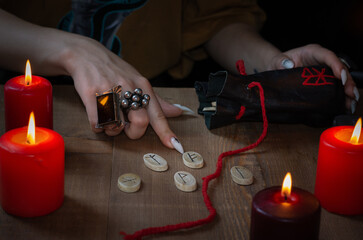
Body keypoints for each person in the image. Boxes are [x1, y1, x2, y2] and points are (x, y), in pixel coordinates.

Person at [0, 0, 359, 152]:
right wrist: (74, 52)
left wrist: (274, 65)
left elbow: (215, 18)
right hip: (28, 90)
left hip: (161, 96)